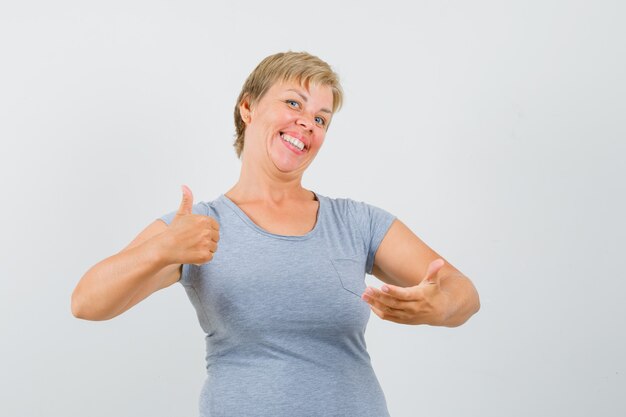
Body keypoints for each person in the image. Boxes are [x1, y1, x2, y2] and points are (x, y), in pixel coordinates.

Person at [71, 51, 480, 417]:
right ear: (247, 107)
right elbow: (87, 302)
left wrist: (439, 306)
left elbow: (462, 291)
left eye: (321, 118)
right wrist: (162, 249)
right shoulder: (198, 226)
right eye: (293, 103)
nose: (308, 123)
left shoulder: (356, 223)